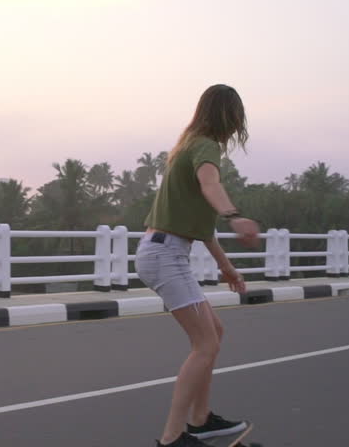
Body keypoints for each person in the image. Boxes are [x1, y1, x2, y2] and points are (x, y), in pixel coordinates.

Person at [134, 84, 261, 447]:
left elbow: (201, 230)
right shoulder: (206, 146)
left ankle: (201, 420)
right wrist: (235, 215)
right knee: (204, 344)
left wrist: (227, 268)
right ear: (229, 116)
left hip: (164, 251)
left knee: (214, 333)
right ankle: (172, 438)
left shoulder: (188, 146)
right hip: (165, 255)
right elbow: (210, 184)